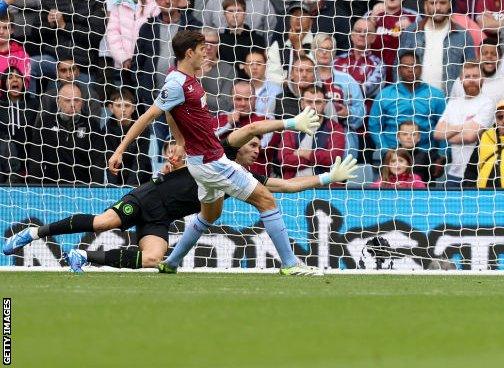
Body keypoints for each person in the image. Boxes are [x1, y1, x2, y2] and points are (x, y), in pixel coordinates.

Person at [3, 110, 358, 271]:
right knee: (102, 224)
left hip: (163, 217)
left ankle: (84, 258)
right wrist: (291, 122)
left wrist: (328, 177)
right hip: (148, 197)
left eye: (258, 148)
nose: (255, 149)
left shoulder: (237, 177)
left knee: (153, 259)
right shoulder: (223, 150)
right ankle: (34, 232)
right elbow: (252, 127)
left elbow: (290, 186)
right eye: (254, 146)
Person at [105, 29, 321, 276]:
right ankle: (290, 264)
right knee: (266, 200)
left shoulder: (191, 80)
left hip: (202, 162)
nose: (205, 54)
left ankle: (171, 262)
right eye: (201, 50)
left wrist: (181, 141)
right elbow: (147, 116)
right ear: (189, 53)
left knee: (210, 214)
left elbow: (172, 113)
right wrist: (119, 150)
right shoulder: (176, 84)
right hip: (211, 162)